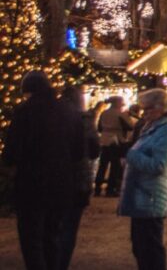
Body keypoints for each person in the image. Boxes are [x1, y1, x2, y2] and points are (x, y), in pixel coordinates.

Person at [2, 71, 83, 270]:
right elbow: (80, 151)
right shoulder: (69, 112)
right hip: (62, 183)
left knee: (32, 238)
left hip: (32, 183)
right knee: (53, 235)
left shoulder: (25, 111)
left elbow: (12, 152)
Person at [118, 89, 167, 270]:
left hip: (151, 197)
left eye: (148, 109)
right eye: (143, 109)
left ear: (162, 108)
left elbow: (160, 165)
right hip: (143, 197)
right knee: (141, 247)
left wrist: (131, 155)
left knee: (150, 249)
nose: (144, 113)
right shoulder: (152, 129)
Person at [58, 86, 101, 270]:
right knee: (70, 225)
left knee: (53, 223)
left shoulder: (52, 117)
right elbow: (94, 151)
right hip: (78, 179)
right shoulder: (84, 120)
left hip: (54, 178)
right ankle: (61, 263)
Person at [96, 96, 132, 196]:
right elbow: (130, 126)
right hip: (116, 140)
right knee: (115, 165)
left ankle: (97, 187)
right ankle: (110, 188)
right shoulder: (121, 114)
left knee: (103, 164)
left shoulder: (104, 113)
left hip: (104, 140)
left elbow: (99, 127)